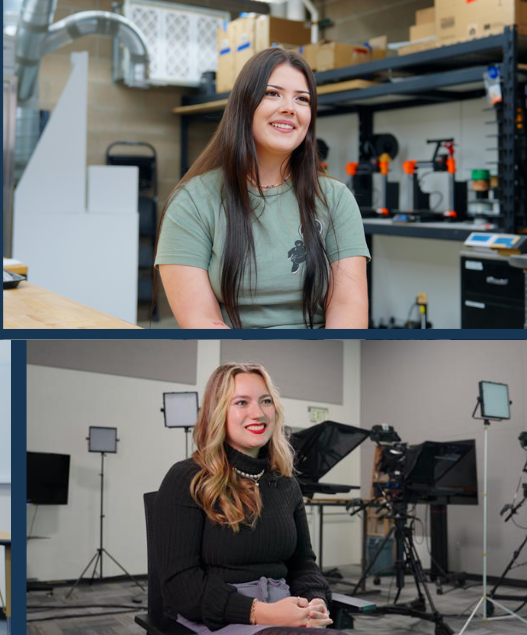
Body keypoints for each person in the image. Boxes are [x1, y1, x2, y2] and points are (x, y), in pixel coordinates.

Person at [155, 48, 370, 329]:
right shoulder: (192, 202)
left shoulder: (335, 198)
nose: (289, 108)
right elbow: (202, 321)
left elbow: (348, 306)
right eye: (272, 93)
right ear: (245, 104)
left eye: (302, 99)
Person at [154, 362, 340, 634]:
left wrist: (315, 601)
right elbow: (182, 587)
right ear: (218, 412)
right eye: (241, 402)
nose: (258, 413)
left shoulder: (286, 484)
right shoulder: (187, 478)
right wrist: (264, 613)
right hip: (219, 618)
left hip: (287, 612)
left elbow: (303, 564)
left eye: (266, 401)